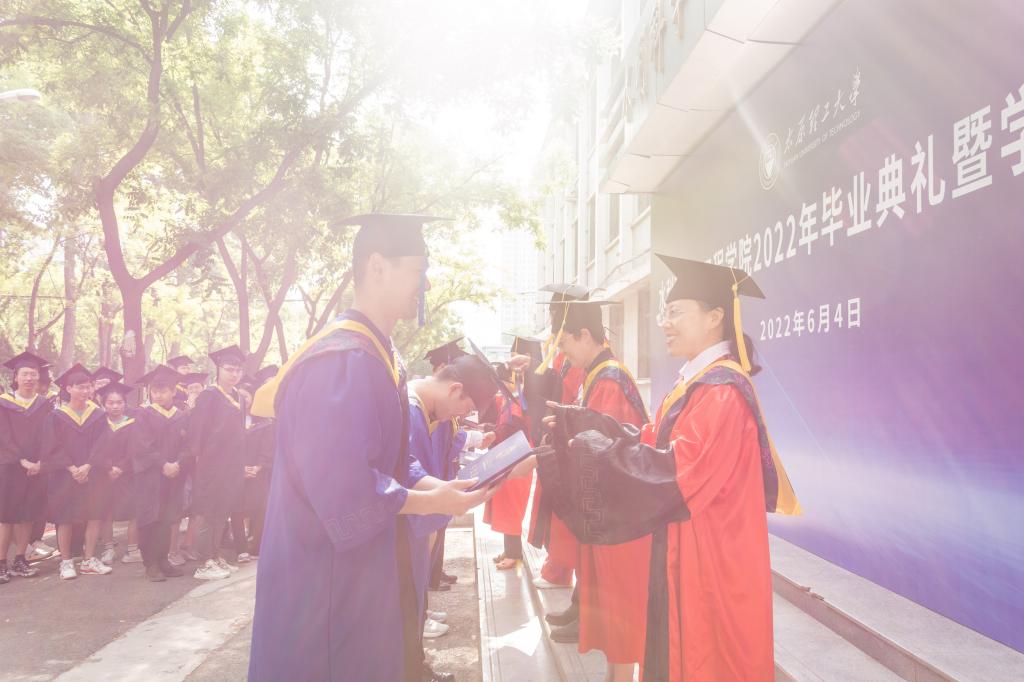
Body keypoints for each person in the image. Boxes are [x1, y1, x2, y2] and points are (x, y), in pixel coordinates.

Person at [248, 214, 494, 682]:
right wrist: (431, 502)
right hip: (323, 581)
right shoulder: (340, 361)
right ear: (378, 266)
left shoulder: (380, 354)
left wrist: (439, 488)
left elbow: (395, 461)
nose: (425, 284)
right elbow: (345, 489)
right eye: (417, 270)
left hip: (357, 574)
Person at [531, 255, 801, 681]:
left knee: (706, 660)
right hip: (686, 545)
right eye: (664, 312)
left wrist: (592, 450)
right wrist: (582, 424)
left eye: (675, 312)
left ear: (715, 317)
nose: (664, 323)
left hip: (708, 559)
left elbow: (676, 470)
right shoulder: (697, 382)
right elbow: (651, 438)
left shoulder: (722, 392)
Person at [542, 295, 650, 680]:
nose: (563, 354)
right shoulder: (598, 376)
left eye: (565, 344)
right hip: (609, 512)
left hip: (620, 517)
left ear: (585, 335)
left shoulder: (610, 380)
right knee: (611, 609)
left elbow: (604, 445)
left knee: (619, 608)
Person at [407, 351, 500, 647]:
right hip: (406, 519)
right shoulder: (410, 409)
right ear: (455, 389)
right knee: (406, 590)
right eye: (467, 407)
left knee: (415, 580)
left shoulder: (424, 406)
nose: (462, 416)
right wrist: (446, 494)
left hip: (421, 507)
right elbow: (406, 469)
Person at [528, 285, 588, 593]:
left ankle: (560, 571)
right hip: (559, 431)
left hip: (570, 438)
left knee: (565, 511)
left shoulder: (587, 358)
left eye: (556, 312)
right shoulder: (564, 353)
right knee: (556, 508)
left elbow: (574, 397)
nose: (553, 318)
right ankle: (558, 569)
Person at [38, 365, 106, 580]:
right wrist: (72, 468)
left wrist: (88, 466)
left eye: (88, 387)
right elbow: (52, 445)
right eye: (80, 387)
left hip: (92, 473)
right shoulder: (56, 416)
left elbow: (103, 443)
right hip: (64, 475)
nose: (85, 391)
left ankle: (88, 560)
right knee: (64, 517)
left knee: (94, 515)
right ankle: (66, 562)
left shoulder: (98, 415)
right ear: (68, 389)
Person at [186, 344, 247, 581]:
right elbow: (197, 429)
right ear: (218, 369)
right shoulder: (209, 395)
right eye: (229, 369)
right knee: (210, 511)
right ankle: (204, 562)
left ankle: (216, 555)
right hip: (212, 463)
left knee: (223, 511)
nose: (234, 374)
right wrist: (203, 457)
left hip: (232, 463)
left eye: (238, 370)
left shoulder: (238, 397)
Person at [483, 338, 535, 571]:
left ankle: (515, 555)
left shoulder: (520, 402)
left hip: (518, 459)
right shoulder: (508, 400)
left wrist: (495, 434)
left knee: (511, 508)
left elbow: (513, 428)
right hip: (507, 458)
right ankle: (510, 550)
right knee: (504, 505)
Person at [0, 352, 52, 584]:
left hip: (36, 468)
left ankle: (20, 559)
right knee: (7, 517)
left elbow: (49, 435)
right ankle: (1, 562)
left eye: (33, 374)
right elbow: (3, 436)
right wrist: (22, 460)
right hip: (10, 466)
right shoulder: (3, 403)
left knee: (28, 515)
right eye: (25, 374)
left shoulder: (44, 404)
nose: (29, 378)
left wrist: (41, 461)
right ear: (16, 377)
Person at [135, 365, 190, 579]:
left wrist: (178, 463)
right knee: (150, 518)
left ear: (173, 391)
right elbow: (142, 445)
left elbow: (188, 445)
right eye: (155, 391)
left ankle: (163, 559)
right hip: (150, 476)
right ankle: (150, 564)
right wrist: (163, 464)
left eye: (163, 391)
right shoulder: (144, 415)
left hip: (173, 475)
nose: (158, 395)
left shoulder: (182, 416)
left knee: (167, 518)